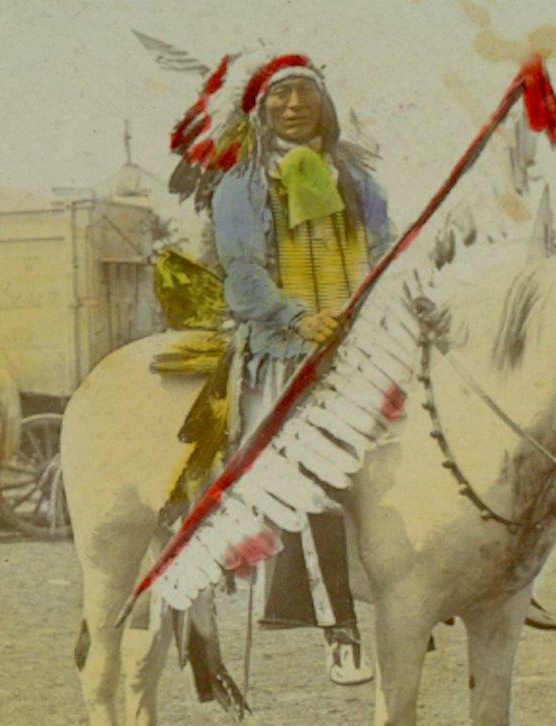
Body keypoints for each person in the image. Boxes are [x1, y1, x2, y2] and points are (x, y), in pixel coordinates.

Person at [169, 53, 389, 685]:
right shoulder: (243, 184)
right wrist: (299, 318)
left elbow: (382, 249)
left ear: (325, 104)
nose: (294, 105)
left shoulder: (356, 179)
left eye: (305, 94)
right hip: (283, 349)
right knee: (312, 474)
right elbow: (242, 273)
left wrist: (365, 307)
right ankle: (338, 627)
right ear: (260, 110)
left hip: (362, 340)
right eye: (280, 96)